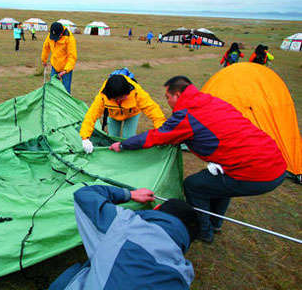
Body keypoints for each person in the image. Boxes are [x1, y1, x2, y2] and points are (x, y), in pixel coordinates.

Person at [109, 76, 286, 243]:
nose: (167, 102)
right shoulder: (211, 101)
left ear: (178, 95)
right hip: (275, 162)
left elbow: (156, 136)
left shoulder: (187, 115)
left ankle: (204, 230)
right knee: (218, 185)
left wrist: (123, 145)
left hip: (258, 171)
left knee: (194, 186)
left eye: (168, 97)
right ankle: (215, 223)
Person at [48, 185, 198, 290]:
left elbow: (84, 195)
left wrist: (131, 194)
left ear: (157, 209)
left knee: (75, 272)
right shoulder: (184, 276)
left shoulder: (123, 225)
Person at [79, 74, 166, 154]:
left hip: (132, 114)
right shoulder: (103, 96)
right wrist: (85, 138)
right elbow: (91, 115)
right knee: (112, 139)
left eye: (125, 96)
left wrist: (162, 133)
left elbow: (154, 111)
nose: (124, 98)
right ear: (113, 97)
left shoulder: (136, 92)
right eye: (120, 97)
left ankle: (128, 159)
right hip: (113, 115)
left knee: (128, 138)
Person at [41, 22, 77, 94]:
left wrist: (65, 70)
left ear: (61, 33)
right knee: (52, 87)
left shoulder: (69, 39)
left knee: (65, 90)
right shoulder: (51, 35)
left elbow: (72, 57)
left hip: (66, 68)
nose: (54, 39)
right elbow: (46, 47)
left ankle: (65, 104)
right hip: (55, 65)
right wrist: (44, 60)